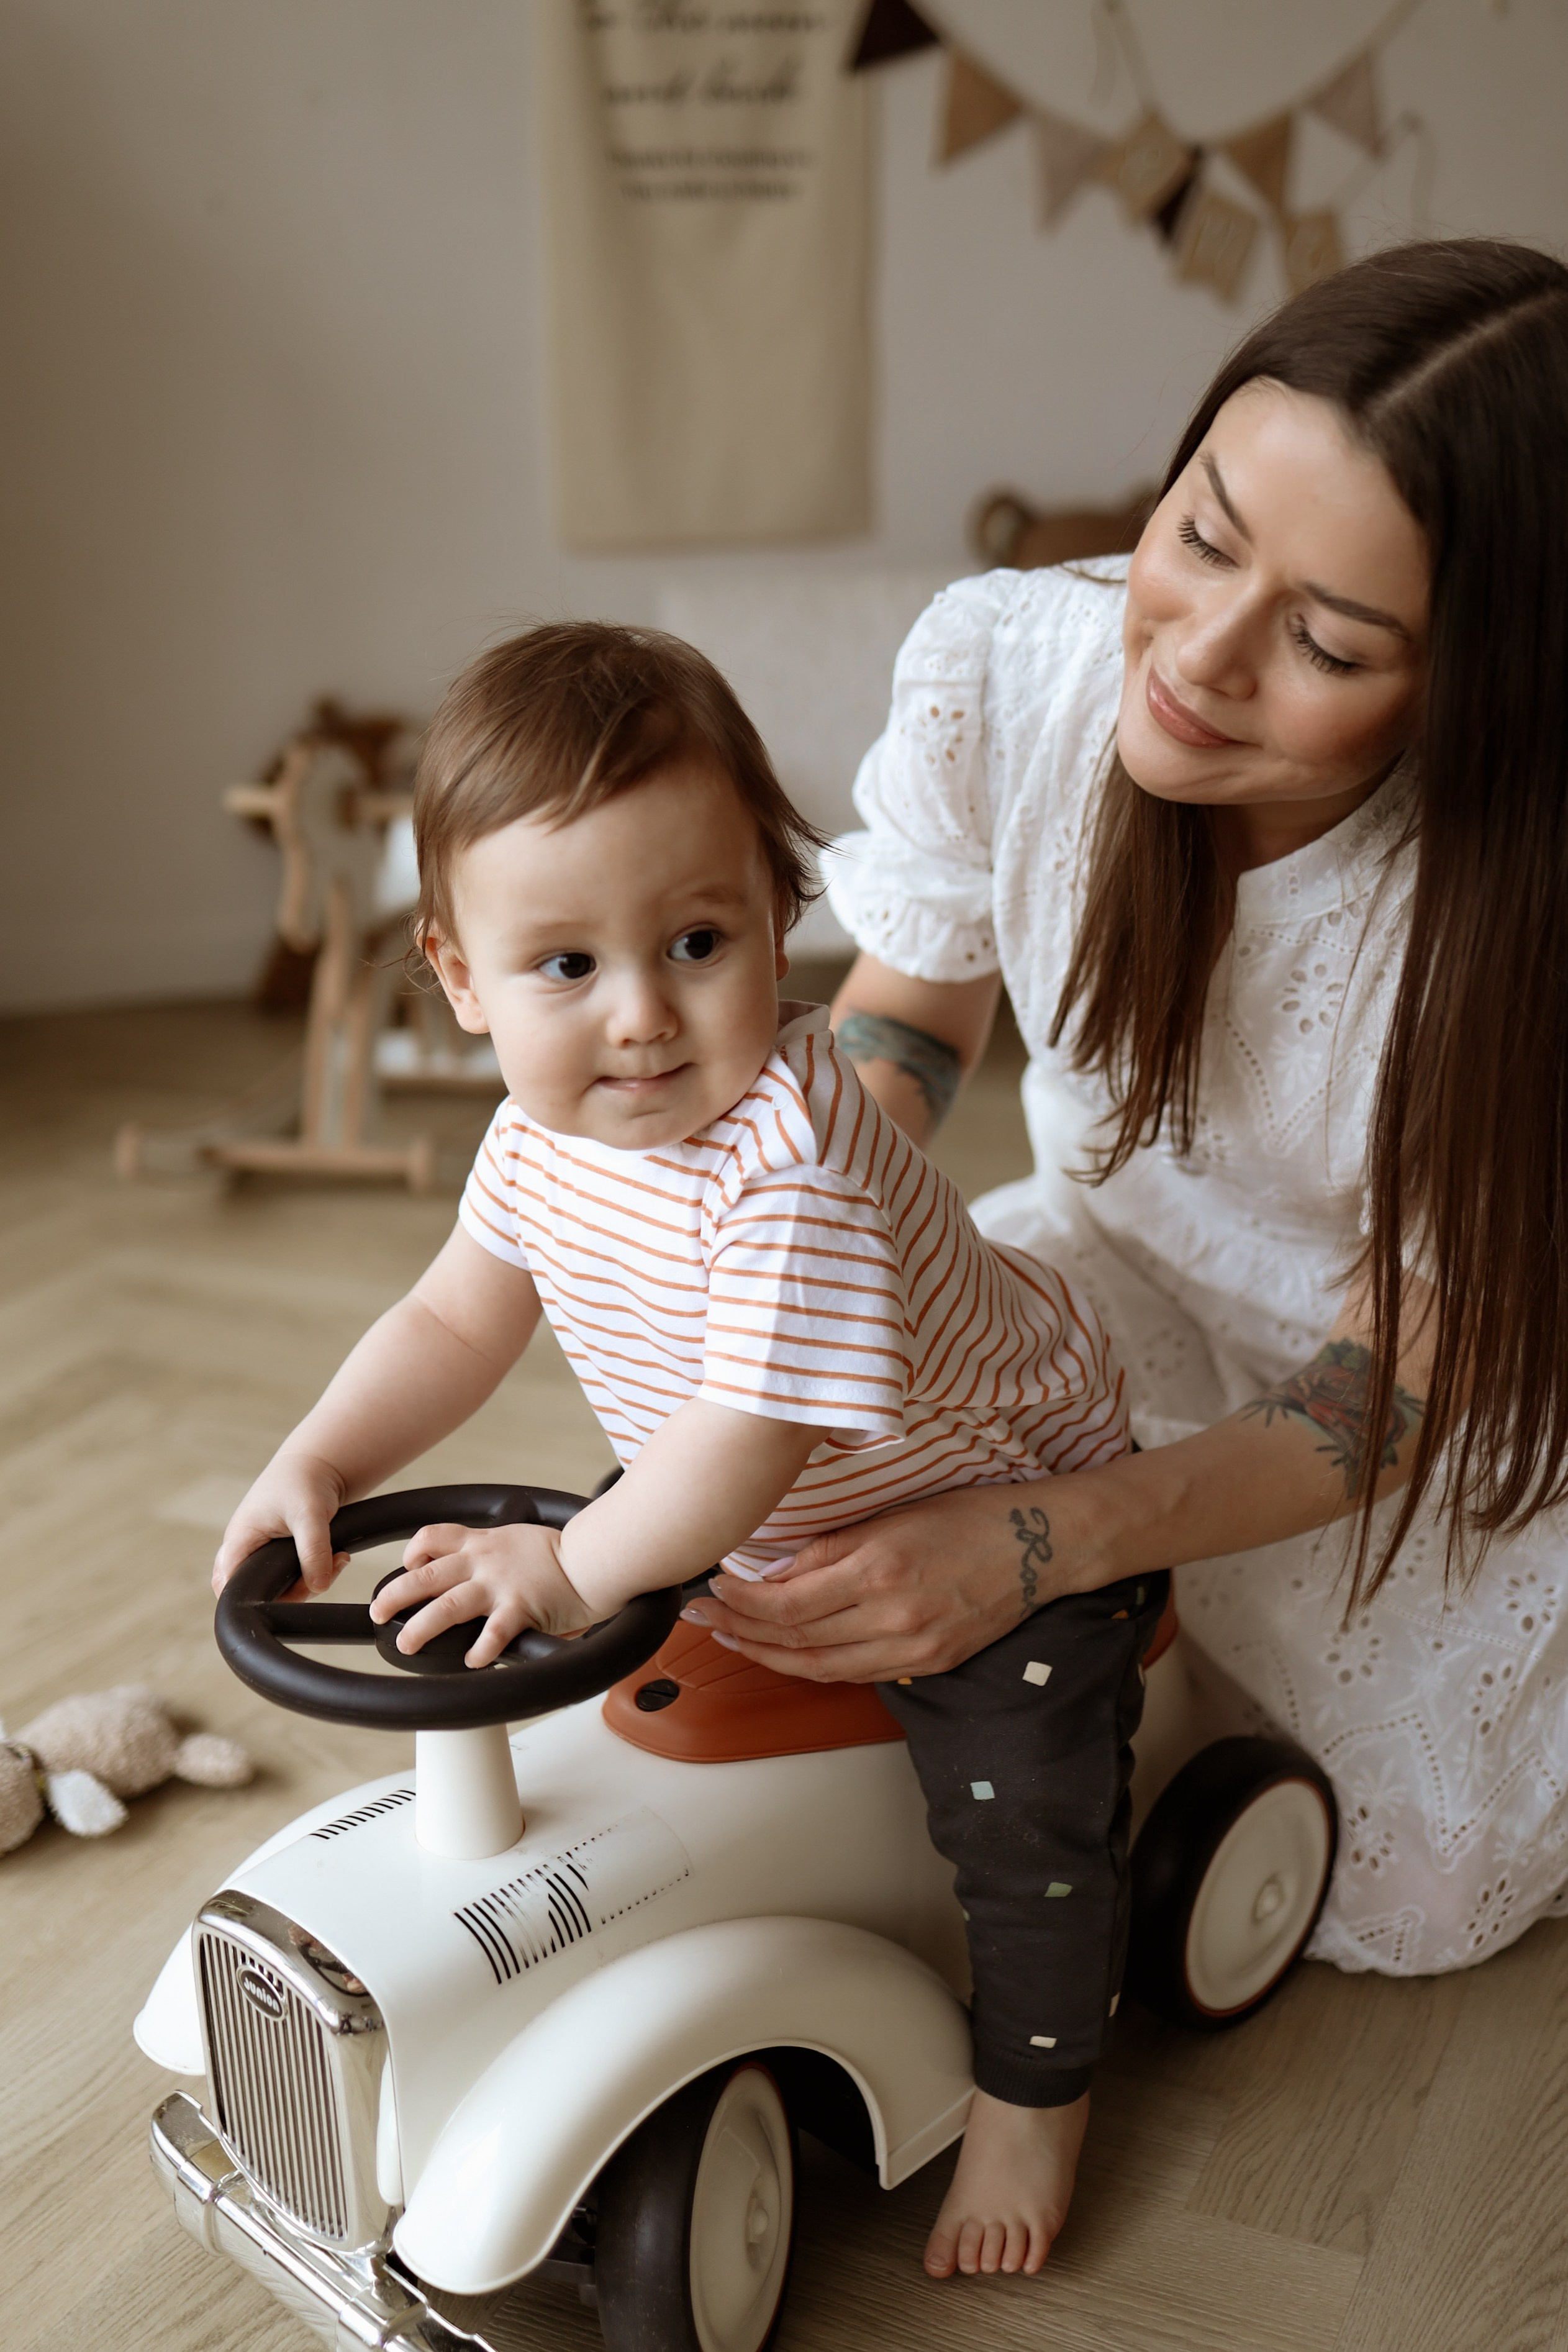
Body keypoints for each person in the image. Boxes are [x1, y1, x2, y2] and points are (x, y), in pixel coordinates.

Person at [214, 620, 1166, 2284]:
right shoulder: (538, 1134)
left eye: (698, 940)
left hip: (993, 1492)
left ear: (778, 914)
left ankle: (1032, 2085)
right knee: (570, 1636)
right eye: (566, 966)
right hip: (763, 1496)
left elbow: (744, 1445)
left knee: (1019, 1795)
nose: (643, 1017)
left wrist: (578, 1560)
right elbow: (451, 1320)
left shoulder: (786, 1168)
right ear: (457, 973)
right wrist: (321, 1452)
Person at [686, 238, 1568, 2014]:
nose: (1200, 654)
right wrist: (816, 1220)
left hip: (1398, 1408)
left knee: (1407, 1862)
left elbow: (1394, 1377)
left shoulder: (1506, 917)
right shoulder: (1012, 662)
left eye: (1324, 639)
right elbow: (917, 1001)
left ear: (1467, 686)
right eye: (1204, 532)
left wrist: (1054, 1535)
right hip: (1095, 1278)